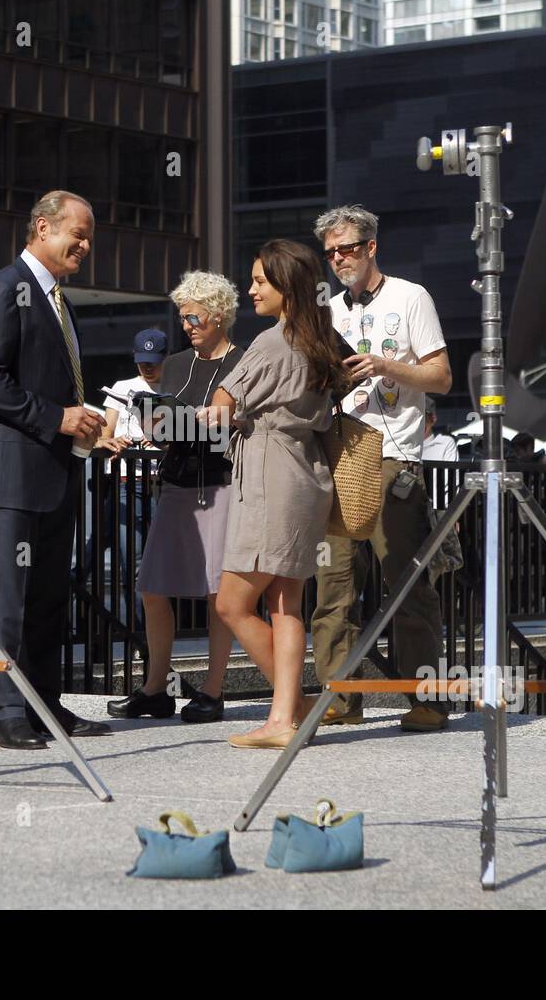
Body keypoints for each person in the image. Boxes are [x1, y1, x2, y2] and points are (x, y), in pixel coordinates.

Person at [0, 190, 110, 749]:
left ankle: (42, 706)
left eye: (90, 236)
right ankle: (2, 714)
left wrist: (80, 422)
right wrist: (60, 418)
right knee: (5, 600)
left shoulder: (55, 299)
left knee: (46, 598)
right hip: (5, 477)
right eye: (79, 234)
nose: (86, 246)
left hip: (49, 472)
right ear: (43, 228)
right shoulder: (2, 290)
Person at [312, 205, 454, 732]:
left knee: (407, 582)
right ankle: (340, 699)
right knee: (334, 586)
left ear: (372, 246)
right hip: (342, 453)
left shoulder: (410, 296)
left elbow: (441, 377)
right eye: (330, 252)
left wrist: (384, 364)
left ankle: (427, 701)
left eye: (347, 248)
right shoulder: (329, 308)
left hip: (395, 457)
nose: (338, 259)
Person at [205, 239, 347, 750]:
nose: (251, 290)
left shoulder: (270, 343)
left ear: (286, 286)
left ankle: (294, 710)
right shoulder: (320, 338)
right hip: (308, 474)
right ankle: (286, 716)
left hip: (269, 477)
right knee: (286, 603)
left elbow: (221, 407)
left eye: (260, 281)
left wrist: (193, 416)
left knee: (231, 603)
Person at [107, 275, 245, 724]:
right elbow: (163, 428)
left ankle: (212, 690)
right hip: (177, 480)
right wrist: (157, 424)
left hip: (221, 481)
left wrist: (206, 424)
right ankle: (155, 688)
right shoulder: (177, 363)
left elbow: (241, 426)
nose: (186, 325)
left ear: (218, 314)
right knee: (151, 585)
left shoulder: (243, 362)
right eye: (183, 316)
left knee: (217, 592)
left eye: (193, 316)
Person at [81, 327, 166, 606]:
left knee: (138, 556)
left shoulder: (173, 388)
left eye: (153, 361)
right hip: (125, 480)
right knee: (134, 559)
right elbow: (106, 434)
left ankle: (141, 633)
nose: (147, 367)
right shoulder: (122, 387)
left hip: (160, 481)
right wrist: (115, 440)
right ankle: (140, 635)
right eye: (143, 361)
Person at [421, 396, 459, 462]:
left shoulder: (446, 443)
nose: (417, 421)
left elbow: (450, 471)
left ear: (433, 419)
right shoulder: (403, 444)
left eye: (422, 416)